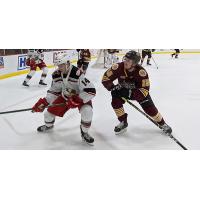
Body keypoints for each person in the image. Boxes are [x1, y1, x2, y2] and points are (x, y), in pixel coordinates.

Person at [102, 50, 172, 135]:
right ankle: (123, 122)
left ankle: (162, 123)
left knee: (150, 110)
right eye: (125, 59)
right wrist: (112, 87)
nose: (125, 62)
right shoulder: (118, 67)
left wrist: (130, 93)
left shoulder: (141, 72)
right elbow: (105, 78)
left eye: (128, 61)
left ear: (134, 63)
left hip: (138, 93)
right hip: (122, 91)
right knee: (115, 101)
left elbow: (144, 90)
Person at [32, 54, 96, 145]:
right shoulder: (56, 74)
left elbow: (91, 91)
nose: (59, 67)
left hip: (80, 97)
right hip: (65, 97)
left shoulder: (77, 73)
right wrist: (45, 102)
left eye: (61, 65)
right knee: (48, 114)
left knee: (87, 111)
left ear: (68, 63)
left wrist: (77, 99)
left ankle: (84, 132)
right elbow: (54, 91)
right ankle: (48, 126)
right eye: (58, 65)